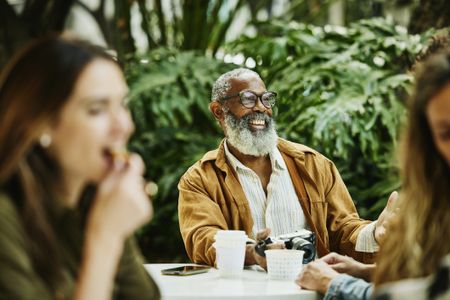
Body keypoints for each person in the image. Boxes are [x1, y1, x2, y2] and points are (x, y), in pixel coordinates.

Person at [178, 67, 396, 268]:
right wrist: (254, 253)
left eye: (266, 99)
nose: (261, 108)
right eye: (248, 99)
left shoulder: (314, 165)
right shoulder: (200, 179)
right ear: (219, 111)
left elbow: (344, 230)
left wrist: (376, 232)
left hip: (311, 292)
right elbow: (204, 239)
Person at [0, 36, 160, 299]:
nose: (124, 126)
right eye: (97, 109)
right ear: (42, 123)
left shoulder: (94, 199)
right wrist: (105, 237)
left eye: (122, 105)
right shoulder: (6, 218)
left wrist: (115, 229)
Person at [296, 48, 450, 300]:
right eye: (445, 133)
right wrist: (367, 271)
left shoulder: (313, 163)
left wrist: (335, 283)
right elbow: (436, 279)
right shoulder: (207, 173)